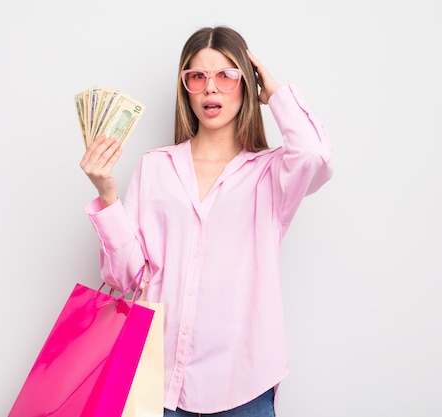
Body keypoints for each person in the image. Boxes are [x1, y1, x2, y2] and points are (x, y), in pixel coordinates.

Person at [80, 25, 333, 417]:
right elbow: (126, 278)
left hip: (243, 385)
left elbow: (315, 155)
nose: (211, 88)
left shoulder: (272, 174)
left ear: (247, 84)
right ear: (186, 88)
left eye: (227, 75)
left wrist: (275, 92)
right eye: (197, 76)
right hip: (156, 381)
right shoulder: (155, 167)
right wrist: (108, 196)